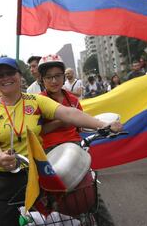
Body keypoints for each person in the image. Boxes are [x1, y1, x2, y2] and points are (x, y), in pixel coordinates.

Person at [0, 57, 122, 226]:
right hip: (2, 181)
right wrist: (0, 157)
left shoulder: (35, 100)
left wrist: (103, 125)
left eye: (10, 73)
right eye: (0, 75)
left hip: (36, 176)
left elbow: (69, 114)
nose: (5, 78)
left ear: (19, 75)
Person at [38, 54, 115, 226]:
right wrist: (62, 121)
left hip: (75, 148)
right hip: (51, 154)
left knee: (92, 195)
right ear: (42, 79)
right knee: (53, 200)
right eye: (49, 77)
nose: (54, 80)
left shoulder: (72, 100)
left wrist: (105, 126)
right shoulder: (38, 102)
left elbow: (81, 125)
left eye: (57, 75)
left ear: (63, 77)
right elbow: (39, 130)